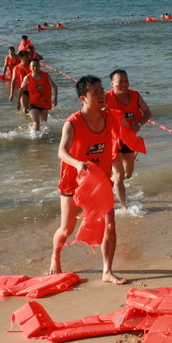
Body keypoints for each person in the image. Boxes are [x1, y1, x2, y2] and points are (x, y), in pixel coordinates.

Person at [51, 75, 126, 285]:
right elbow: (61, 151)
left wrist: (120, 164)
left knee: (110, 225)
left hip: (100, 182)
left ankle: (107, 271)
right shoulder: (73, 123)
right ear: (83, 98)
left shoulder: (109, 117)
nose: (101, 95)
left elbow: (120, 138)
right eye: (96, 93)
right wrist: (77, 164)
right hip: (73, 182)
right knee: (66, 229)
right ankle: (55, 256)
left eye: (102, 91)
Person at [105, 69, 152, 209]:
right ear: (112, 83)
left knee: (127, 174)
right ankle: (124, 207)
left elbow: (148, 113)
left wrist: (139, 123)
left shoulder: (135, 95)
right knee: (119, 176)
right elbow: (93, 112)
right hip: (112, 140)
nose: (124, 84)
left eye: (126, 81)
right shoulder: (106, 98)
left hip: (129, 139)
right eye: (120, 82)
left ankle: (110, 183)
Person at [21, 57, 57, 132]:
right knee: (36, 123)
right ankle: (34, 139)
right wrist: (18, 102)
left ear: (39, 66)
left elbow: (54, 86)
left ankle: (40, 141)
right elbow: (21, 89)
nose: (35, 68)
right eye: (33, 66)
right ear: (30, 68)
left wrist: (55, 97)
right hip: (33, 103)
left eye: (37, 66)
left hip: (44, 102)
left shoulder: (46, 75)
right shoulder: (27, 78)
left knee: (43, 124)